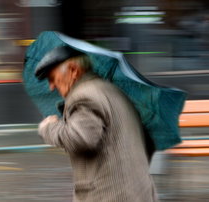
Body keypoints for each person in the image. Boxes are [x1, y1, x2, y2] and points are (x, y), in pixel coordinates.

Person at [35, 46, 158, 202]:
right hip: (139, 191)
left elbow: (80, 139)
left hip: (109, 195)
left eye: (52, 78)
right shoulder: (111, 90)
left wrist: (48, 127)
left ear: (73, 70)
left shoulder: (84, 95)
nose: (51, 86)